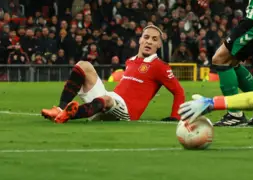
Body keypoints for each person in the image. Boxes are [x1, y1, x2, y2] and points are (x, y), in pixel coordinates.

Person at [40, 24, 185, 123]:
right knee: (83, 65)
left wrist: (175, 117)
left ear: (159, 45)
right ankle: (60, 109)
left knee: (107, 99)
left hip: (126, 112)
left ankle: (67, 115)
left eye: (154, 40)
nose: (149, 42)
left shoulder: (160, 66)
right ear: (140, 39)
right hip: (109, 101)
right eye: (146, 37)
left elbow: (179, 91)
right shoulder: (131, 61)